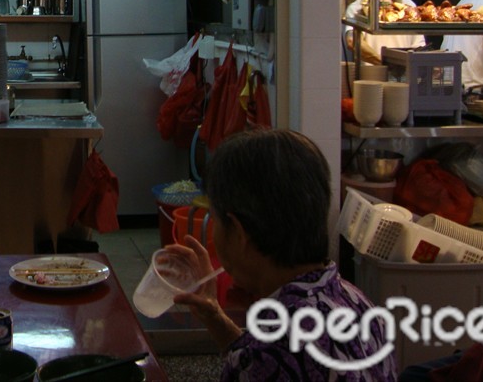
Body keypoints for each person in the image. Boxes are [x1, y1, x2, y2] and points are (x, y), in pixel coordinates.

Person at [166, 129, 399, 381]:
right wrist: (215, 317)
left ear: (240, 233)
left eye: (217, 219)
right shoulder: (359, 303)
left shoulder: (273, 350)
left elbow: (264, 362)